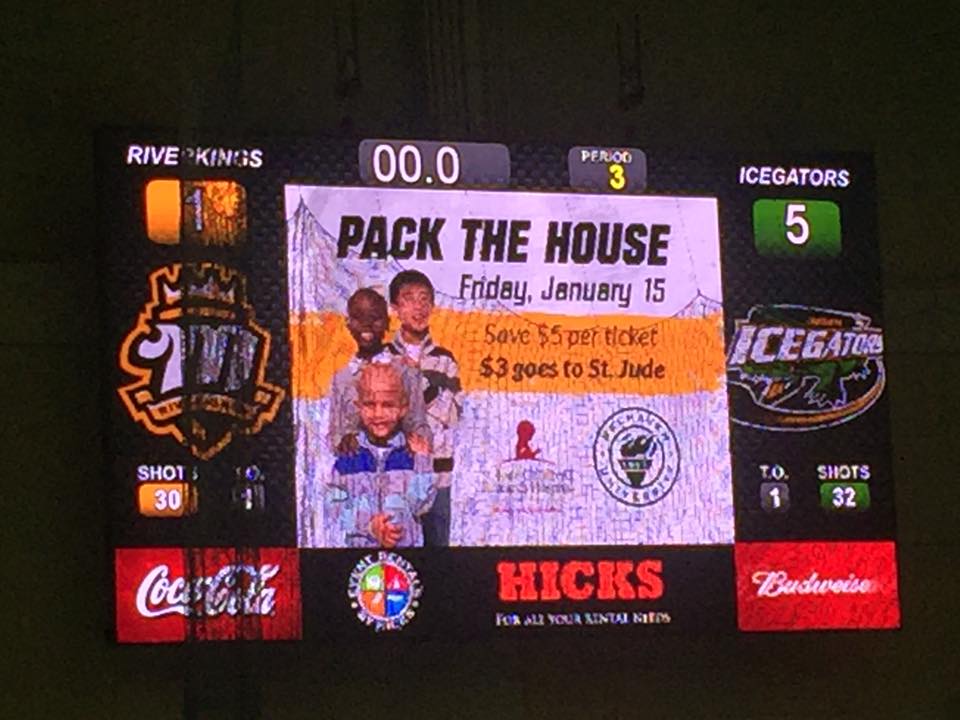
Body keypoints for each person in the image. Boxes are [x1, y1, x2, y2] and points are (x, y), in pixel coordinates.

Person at [324, 362, 435, 548]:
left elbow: (421, 505)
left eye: (388, 405)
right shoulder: (349, 454)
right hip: (361, 554)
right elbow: (335, 506)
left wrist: (423, 462)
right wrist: (369, 526)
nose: (378, 414)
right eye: (369, 405)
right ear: (359, 407)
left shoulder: (412, 454)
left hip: (405, 551)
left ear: (403, 408)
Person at [388, 270, 462, 547]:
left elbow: (452, 413)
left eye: (424, 299)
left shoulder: (445, 361)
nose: (418, 307)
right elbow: (380, 416)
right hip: (394, 473)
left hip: (437, 472)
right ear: (394, 308)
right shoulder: (383, 358)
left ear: (432, 306)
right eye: (409, 299)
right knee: (395, 548)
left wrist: (412, 389)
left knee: (438, 550)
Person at [328, 287, 431, 456]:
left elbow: (419, 424)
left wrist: (416, 443)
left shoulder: (405, 371)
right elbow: (335, 432)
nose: (367, 324)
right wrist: (344, 441)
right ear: (348, 323)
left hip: (398, 463)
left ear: (387, 322)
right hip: (358, 465)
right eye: (358, 318)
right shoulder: (341, 378)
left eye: (375, 318)